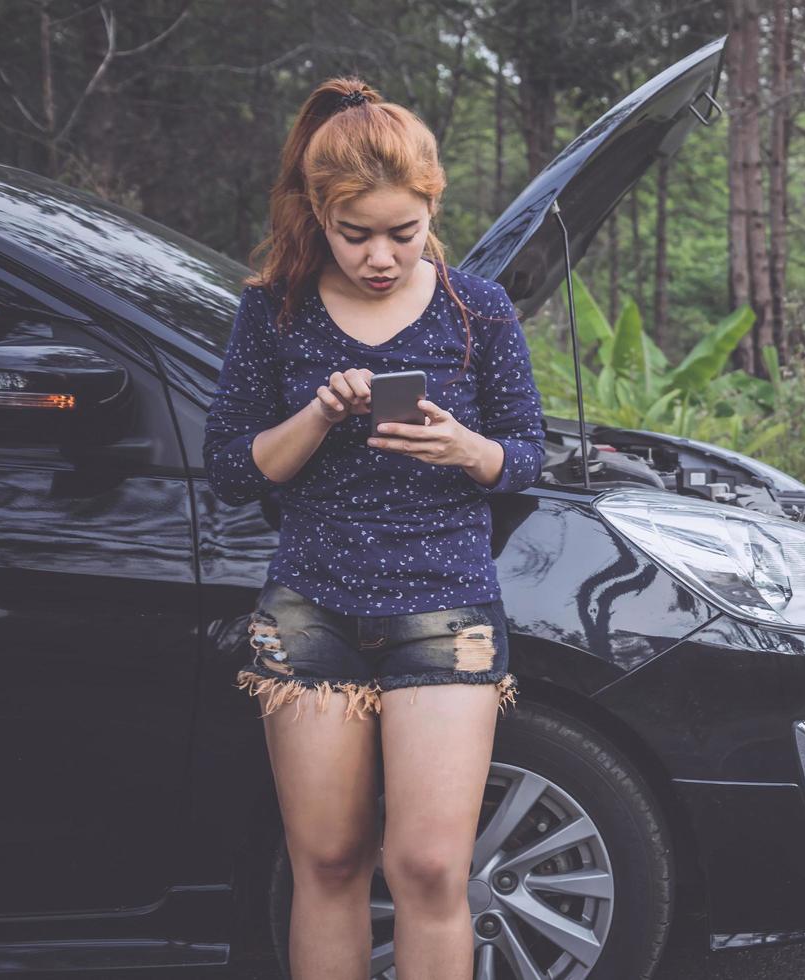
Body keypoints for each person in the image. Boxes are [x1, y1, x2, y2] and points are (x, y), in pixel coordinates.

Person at [202, 75, 546, 979]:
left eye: (404, 231)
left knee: (430, 866)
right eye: (356, 235)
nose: (382, 257)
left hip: (446, 607)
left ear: (432, 206)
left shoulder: (478, 309)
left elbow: (529, 457)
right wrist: (316, 415)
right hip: (309, 611)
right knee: (327, 863)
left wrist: (468, 450)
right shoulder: (273, 310)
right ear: (320, 214)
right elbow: (233, 470)